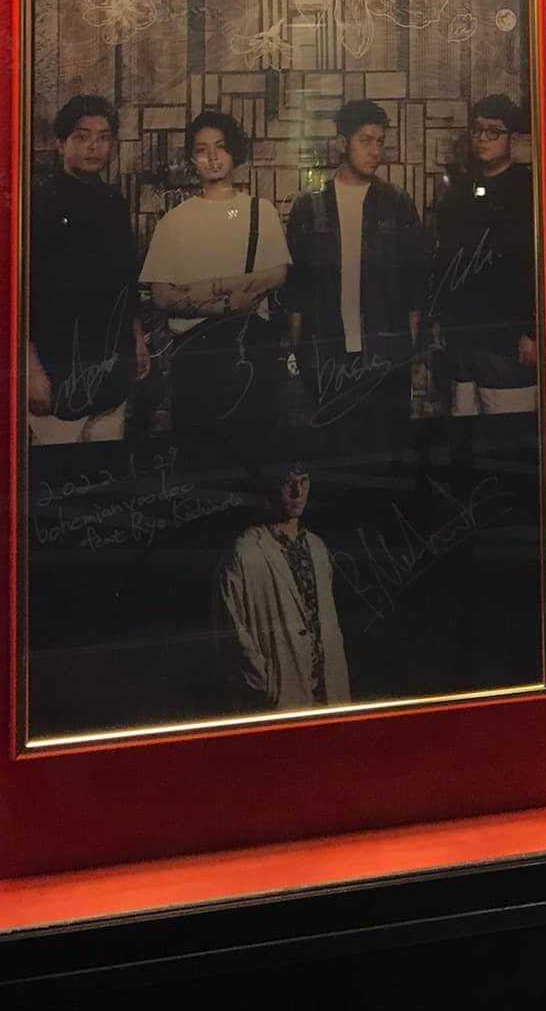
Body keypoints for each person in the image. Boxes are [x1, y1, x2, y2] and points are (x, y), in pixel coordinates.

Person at [140, 110, 289, 463]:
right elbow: (161, 294)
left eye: (220, 147)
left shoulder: (260, 211)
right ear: (192, 159)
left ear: (233, 152)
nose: (212, 157)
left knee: (253, 454)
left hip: (249, 349)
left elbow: (277, 274)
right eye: (202, 149)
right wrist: (224, 304)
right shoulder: (174, 221)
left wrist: (208, 286)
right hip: (194, 355)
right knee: (201, 457)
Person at [284, 100, 426, 454]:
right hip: (327, 354)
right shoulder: (309, 207)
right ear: (341, 143)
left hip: (384, 355)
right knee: (332, 452)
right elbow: (297, 289)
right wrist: (296, 354)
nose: (375, 151)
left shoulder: (397, 203)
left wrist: (409, 353)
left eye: (380, 142)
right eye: (365, 141)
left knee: (386, 452)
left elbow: (414, 285)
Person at [28, 94, 149, 444]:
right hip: (55, 362)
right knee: (59, 461)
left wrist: (137, 338)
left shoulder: (115, 202)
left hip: (112, 357)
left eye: (103, 137)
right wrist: (30, 366)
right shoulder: (39, 200)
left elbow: (126, 280)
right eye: (82, 137)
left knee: (106, 460)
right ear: (61, 143)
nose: (93, 147)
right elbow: (22, 290)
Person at [427, 94, 539, 418]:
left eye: (494, 131)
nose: (483, 139)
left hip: (506, 337)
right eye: (477, 130)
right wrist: (439, 320)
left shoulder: (527, 188)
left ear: (511, 138)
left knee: (507, 422)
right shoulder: (460, 189)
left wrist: (532, 332)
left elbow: (536, 266)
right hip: (461, 335)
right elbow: (446, 259)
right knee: (463, 419)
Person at [215, 461, 350, 713]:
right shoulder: (246, 552)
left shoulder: (317, 547)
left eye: (303, 482)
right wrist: (266, 682)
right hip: (283, 695)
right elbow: (230, 627)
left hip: (328, 692)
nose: (298, 493)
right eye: (288, 483)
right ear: (271, 486)